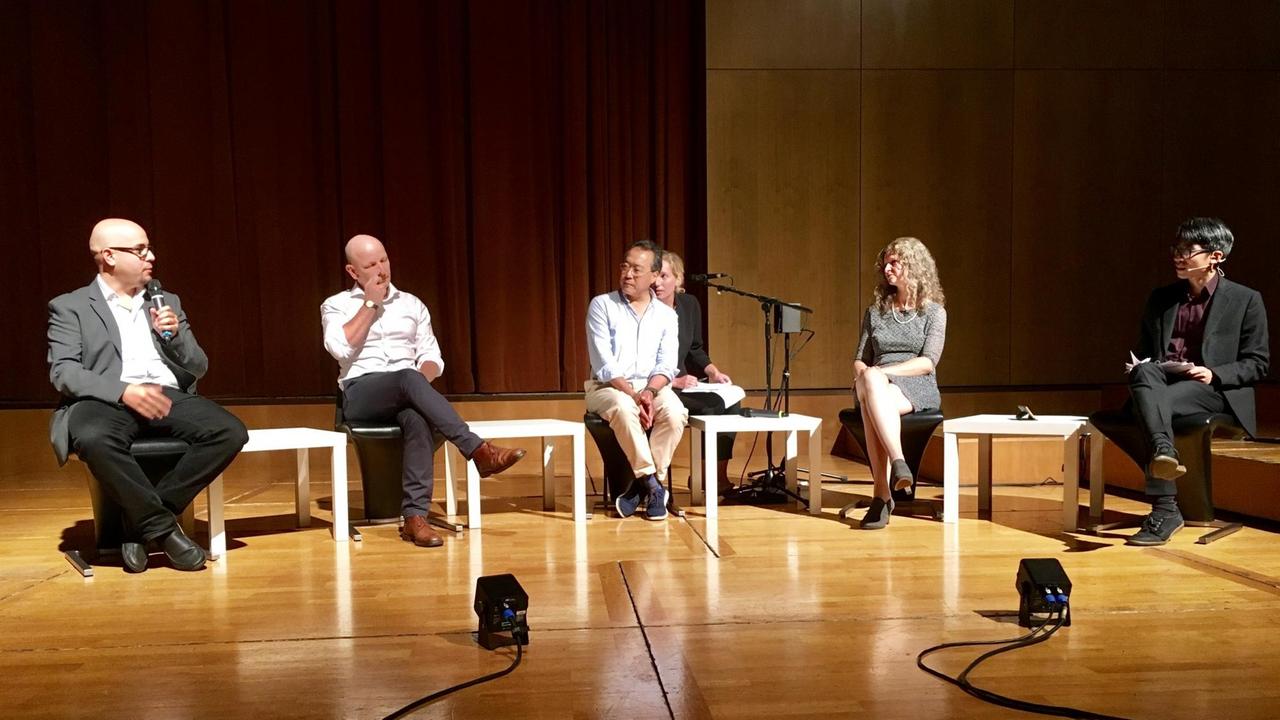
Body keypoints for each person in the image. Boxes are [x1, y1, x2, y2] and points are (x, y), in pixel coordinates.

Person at [47, 218, 248, 572]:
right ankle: (163, 529)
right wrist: (124, 391)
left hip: (164, 392)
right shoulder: (71, 306)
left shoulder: (165, 300)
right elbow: (64, 371)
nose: (150, 256)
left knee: (230, 432)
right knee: (93, 437)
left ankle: (140, 524)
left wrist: (176, 336)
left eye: (148, 248)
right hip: (105, 398)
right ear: (108, 256)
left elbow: (199, 366)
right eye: (140, 250)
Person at [321, 235, 526, 548]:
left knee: (416, 416)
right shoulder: (336, 305)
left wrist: (417, 383)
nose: (381, 269)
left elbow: (432, 358)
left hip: (408, 387)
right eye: (370, 265)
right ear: (353, 272)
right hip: (361, 391)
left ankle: (415, 517)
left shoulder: (411, 304)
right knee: (406, 377)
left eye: (384, 260)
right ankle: (478, 450)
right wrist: (370, 303)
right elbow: (338, 347)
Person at [1123, 217, 1269, 546]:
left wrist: (1213, 373)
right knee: (1144, 373)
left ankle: (1164, 506)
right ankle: (1164, 455)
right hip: (1163, 384)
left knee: (1151, 409)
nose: (1178, 256)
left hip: (1214, 390)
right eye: (1176, 248)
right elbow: (1145, 353)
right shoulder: (1161, 299)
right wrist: (1139, 366)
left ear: (1216, 257)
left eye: (1188, 250)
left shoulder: (1246, 300)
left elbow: (1258, 364)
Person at [585, 240, 688, 520]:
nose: (627, 274)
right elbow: (603, 363)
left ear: (654, 276)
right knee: (622, 407)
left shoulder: (667, 315)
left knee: (677, 412)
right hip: (608, 387)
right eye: (624, 267)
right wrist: (634, 395)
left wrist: (650, 393)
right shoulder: (603, 305)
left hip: (652, 386)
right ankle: (653, 484)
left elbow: (667, 365)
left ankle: (640, 488)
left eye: (636, 269)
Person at [852, 237, 947, 530]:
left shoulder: (934, 313)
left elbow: (928, 362)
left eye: (895, 262)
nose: (887, 268)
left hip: (916, 384)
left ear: (914, 266)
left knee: (872, 399)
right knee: (869, 380)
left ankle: (881, 495)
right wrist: (870, 374)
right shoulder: (875, 312)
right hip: (874, 382)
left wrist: (884, 373)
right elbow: (859, 359)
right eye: (886, 263)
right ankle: (899, 462)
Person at [652, 251, 739, 494]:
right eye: (654, 276)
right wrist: (675, 380)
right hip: (662, 385)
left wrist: (713, 372)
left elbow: (695, 348)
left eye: (664, 276)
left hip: (686, 382)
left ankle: (717, 477)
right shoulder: (646, 310)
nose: (657, 282)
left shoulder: (689, 304)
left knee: (732, 402)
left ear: (677, 279)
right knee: (712, 408)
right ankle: (700, 478)